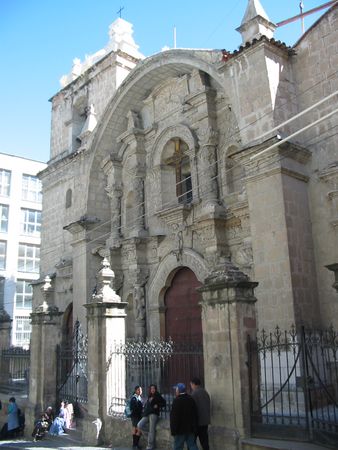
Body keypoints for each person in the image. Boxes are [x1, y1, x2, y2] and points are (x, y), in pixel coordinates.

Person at [170, 383, 198, 450]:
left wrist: (173, 430)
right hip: (190, 429)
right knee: (192, 445)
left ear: (178, 390)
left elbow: (174, 417)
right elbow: (195, 414)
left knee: (178, 447)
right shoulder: (191, 399)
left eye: (176, 389)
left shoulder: (176, 401)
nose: (175, 391)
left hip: (180, 430)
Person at [137, 384, 166, 450]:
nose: (152, 390)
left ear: (155, 389)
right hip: (147, 414)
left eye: (154, 388)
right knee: (139, 425)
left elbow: (164, 403)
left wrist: (158, 405)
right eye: (151, 388)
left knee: (151, 430)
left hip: (154, 414)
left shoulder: (158, 395)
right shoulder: (149, 395)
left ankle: (150, 446)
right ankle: (151, 437)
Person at [190, 377, 211, 450]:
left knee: (191, 442)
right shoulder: (205, 392)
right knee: (204, 441)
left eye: (191, 385)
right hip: (205, 421)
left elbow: (192, 408)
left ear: (194, 384)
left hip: (197, 422)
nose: (191, 386)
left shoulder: (194, 393)